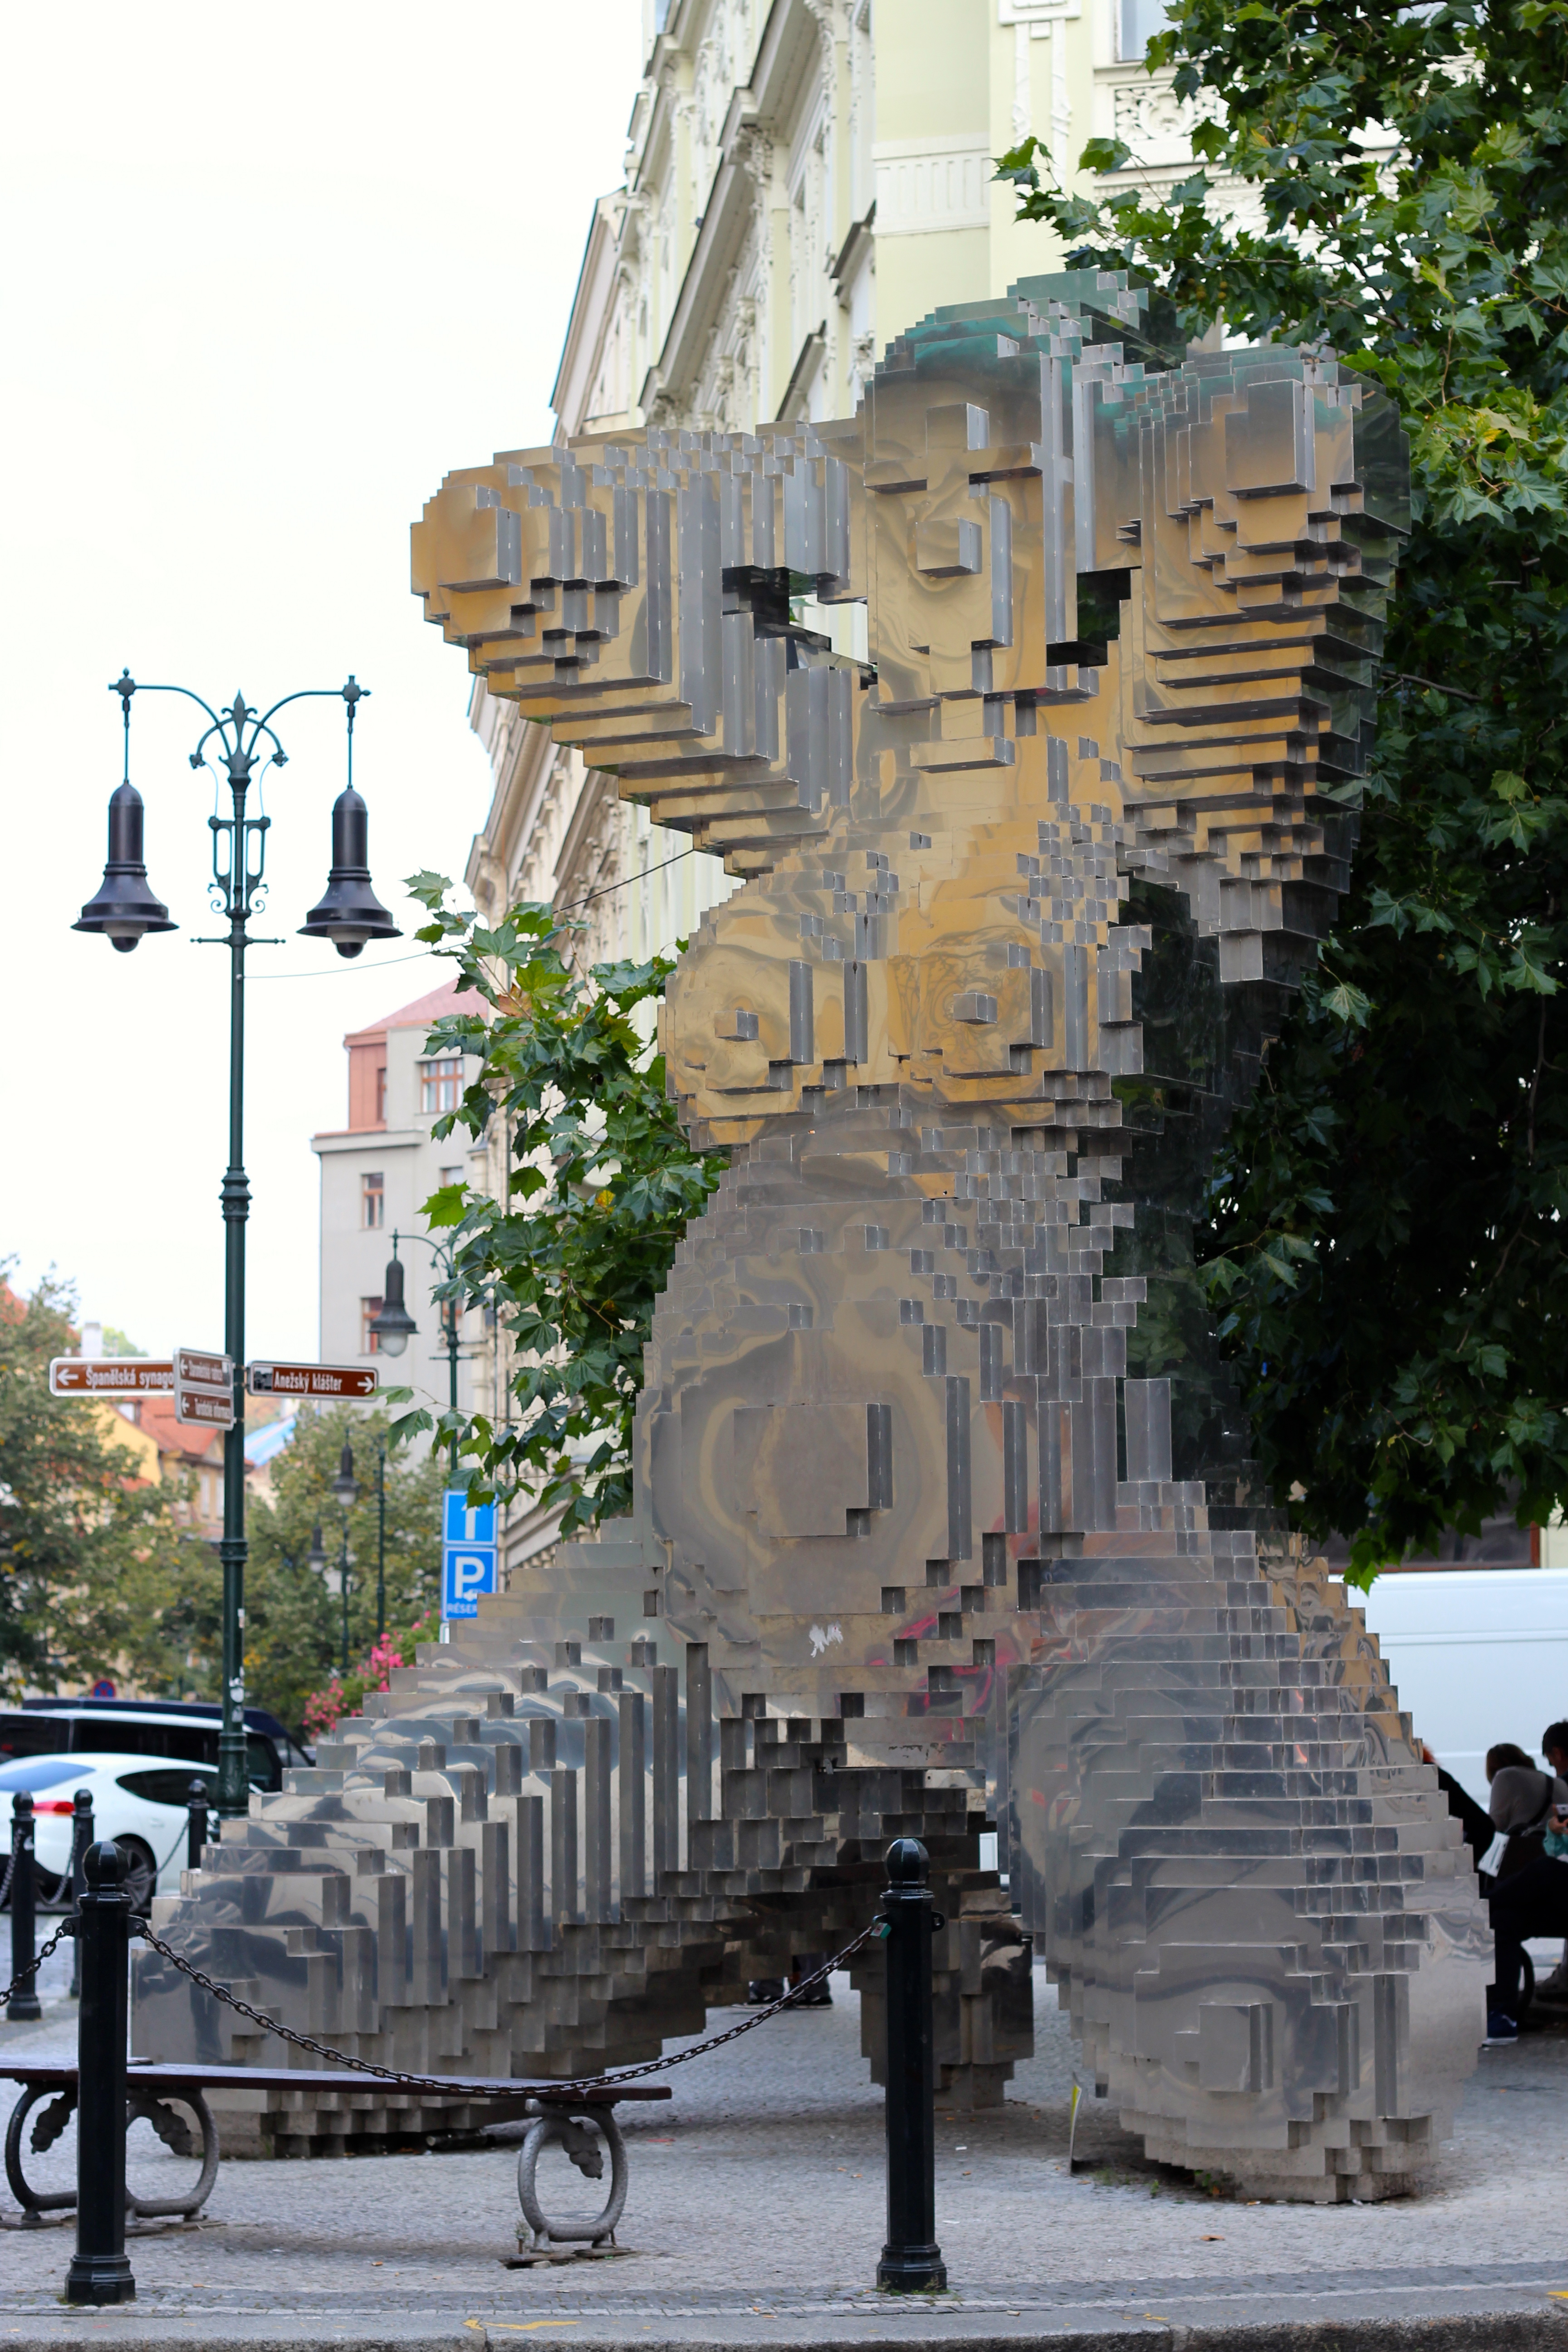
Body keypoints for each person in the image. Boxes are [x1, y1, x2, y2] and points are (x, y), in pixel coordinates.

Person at [1485, 1741, 1568, 2043]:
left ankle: (1479, 1906)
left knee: (1543, 1870)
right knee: (1502, 1921)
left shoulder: (1506, 1778)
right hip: (1559, 1894)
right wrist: (1555, 1834)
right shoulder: (1560, 1785)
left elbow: (1494, 1826)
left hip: (1556, 1881)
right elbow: (1558, 1848)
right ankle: (1502, 2016)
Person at [1529, 1721, 1568, 2005]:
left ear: (1557, 1753)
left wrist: (1553, 1832)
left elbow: (1555, 1854)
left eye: (1551, 1762)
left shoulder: (1564, 1787)